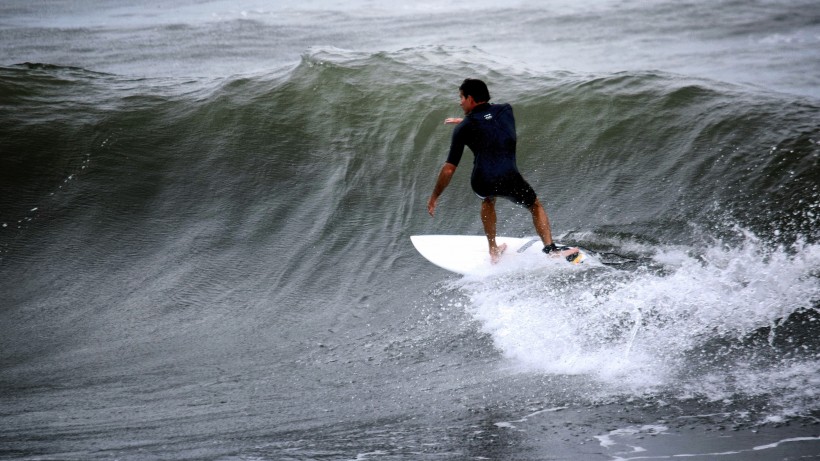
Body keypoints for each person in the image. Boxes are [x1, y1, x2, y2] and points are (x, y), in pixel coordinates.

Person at [426, 78, 579, 263]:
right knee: (535, 205)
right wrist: (465, 122)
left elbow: (449, 170)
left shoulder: (463, 128)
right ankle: (551, 249)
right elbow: (490, 122)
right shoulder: (506, 110)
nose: (460, 102)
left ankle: (493, 249)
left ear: (471, 99)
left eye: (461, 97)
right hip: (510, 177)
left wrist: (435, 196)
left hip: (482, 181)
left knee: (488, 201)